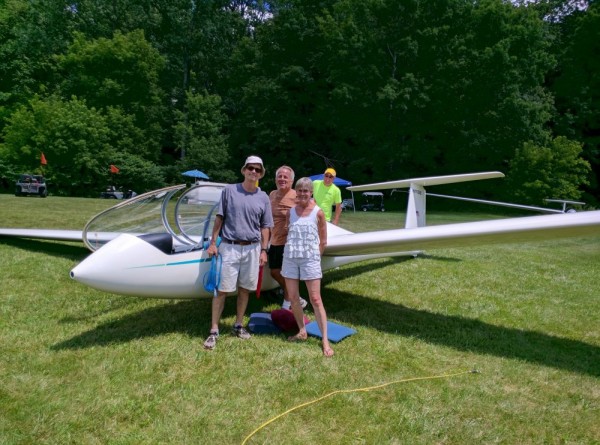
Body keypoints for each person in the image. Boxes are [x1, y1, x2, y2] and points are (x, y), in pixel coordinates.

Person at [203, 155, 274, 350]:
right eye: (250, 168)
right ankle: (214, 330)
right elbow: (219, 218)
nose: (253, 172)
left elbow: (266, 226)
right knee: (222, 290)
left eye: (257, 170)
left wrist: (264, 250)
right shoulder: (229, 191)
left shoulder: (263, 196)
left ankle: (238, 325)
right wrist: (213, 243)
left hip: (252, 248)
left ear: (261, 174)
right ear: (243, 170)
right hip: (229, 246)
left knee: (244, 289)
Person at [282, 177, 333, 357]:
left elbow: (323, 240)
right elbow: (289, 233)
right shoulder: (290, 212)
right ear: (296, 192)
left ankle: (325, 340)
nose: (303, 193)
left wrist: (314, 257)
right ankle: (302, 331)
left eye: (306, 190)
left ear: (311, 192)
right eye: (300, 190)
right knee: (293, 298)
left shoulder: (318, 213)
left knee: (315, 299)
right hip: (290, 258)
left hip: (309, 259)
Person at [269, 165, 308, 310]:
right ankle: (295, 297)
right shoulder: (272, 194)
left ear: (291, 181)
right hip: (274, 240)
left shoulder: (296, 196)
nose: (282, 179)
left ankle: (287, 307)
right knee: (274, 272)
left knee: (287, 274)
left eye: (285, 177)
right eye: (279, 176)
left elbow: (311, 210)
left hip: (289, 241)